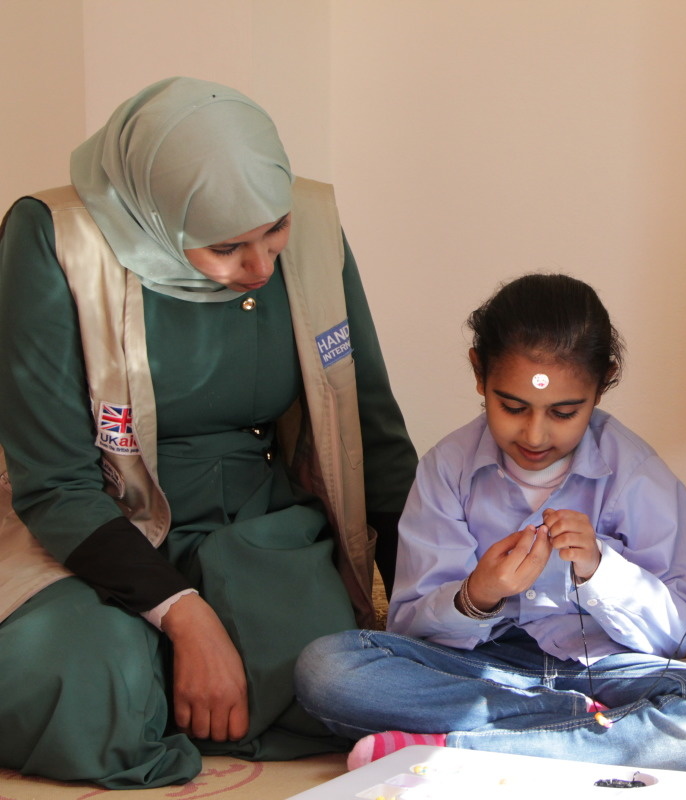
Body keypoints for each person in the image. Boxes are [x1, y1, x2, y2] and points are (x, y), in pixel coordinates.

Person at [0, 77, 418, 788]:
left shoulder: (310, 222)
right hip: (90, 524)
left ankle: (169, 685)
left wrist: (426, 609)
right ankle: (141, 674)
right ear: (157, 215)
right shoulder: (53, 236)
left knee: (330, 680)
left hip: (255, 523)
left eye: (273, 233)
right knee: (80, 682)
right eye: (226, 247)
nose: (259, 269)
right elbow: (55, 485)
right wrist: (187, 619)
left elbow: (367, 428)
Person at [295, 273, 686, 774]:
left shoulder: (636, 474)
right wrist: (477, 594)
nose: (535, 434)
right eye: (512, 406)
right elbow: (408, 621)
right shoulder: (447, 468)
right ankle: (576, 730)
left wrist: (602, 571)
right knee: (326, 668)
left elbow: (682, 627)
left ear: (602, 384)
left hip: (605, 670)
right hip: (480, 671)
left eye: (564, 412)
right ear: (479, 373)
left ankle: (458, 752)